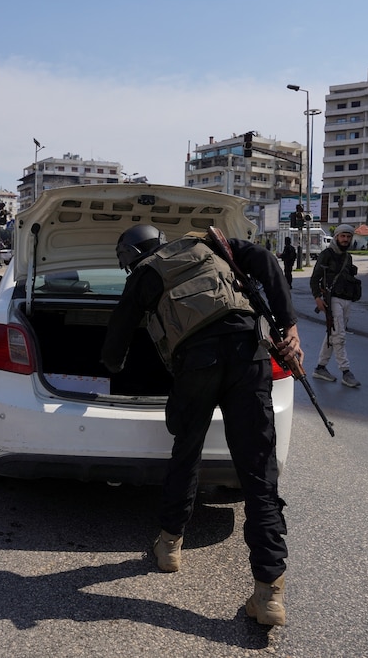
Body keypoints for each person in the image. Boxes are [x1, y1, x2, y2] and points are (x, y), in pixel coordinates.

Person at [101, 224, 301, 627]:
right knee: (258, 473)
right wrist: (289, 324)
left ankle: (169, 546)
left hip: (197, 365)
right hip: (249, 354)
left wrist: (113, 366)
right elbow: (263, 258)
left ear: (129, 257)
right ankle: (269, 595)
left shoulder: (144, 274)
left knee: (186, 450)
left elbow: (117, 337)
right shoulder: (207, 242)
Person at [310, 224, 361, 388]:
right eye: (342, 236)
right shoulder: (327, 255)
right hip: (332, 300)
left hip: (347, 300)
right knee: (339, 335)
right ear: (337, 237)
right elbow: (314, 278)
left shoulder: (348, 257)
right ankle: (346, 371)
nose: (345, 239)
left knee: (334, 333)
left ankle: (320, 367)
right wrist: (317, 297)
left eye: (348, 236)